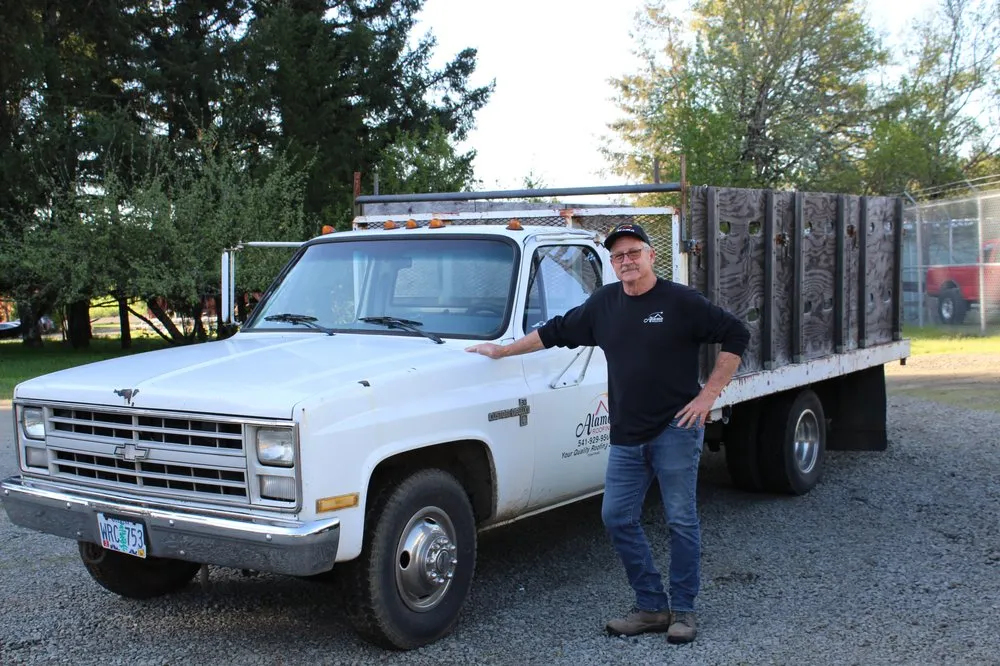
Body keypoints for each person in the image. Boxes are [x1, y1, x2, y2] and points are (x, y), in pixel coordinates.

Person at [466, 222, 749, 644]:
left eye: (634, 252)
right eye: (618, 256)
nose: (626, 261)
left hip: (675, 429)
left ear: (651, 255)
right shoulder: (604, 304)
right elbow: (555, 331)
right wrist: (504, 350)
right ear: (612, 264)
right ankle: (651, 606)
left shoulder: (680, 301)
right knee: (616, 517)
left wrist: (708, 396)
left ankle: (684, 610)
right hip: (627, 435)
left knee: (681, 520)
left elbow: (736, 334)